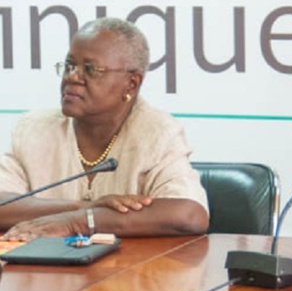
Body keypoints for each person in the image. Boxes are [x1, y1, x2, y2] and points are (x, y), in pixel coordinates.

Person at [0, 17, 209, 241]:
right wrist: (81, 207)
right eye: (69, 66)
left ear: (131, 83)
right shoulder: (34, 129)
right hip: (44, 272)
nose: (72, 76)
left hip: (131, 271)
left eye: (91, 69)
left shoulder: (157, 133)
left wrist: (79, 222)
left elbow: (189, 214)